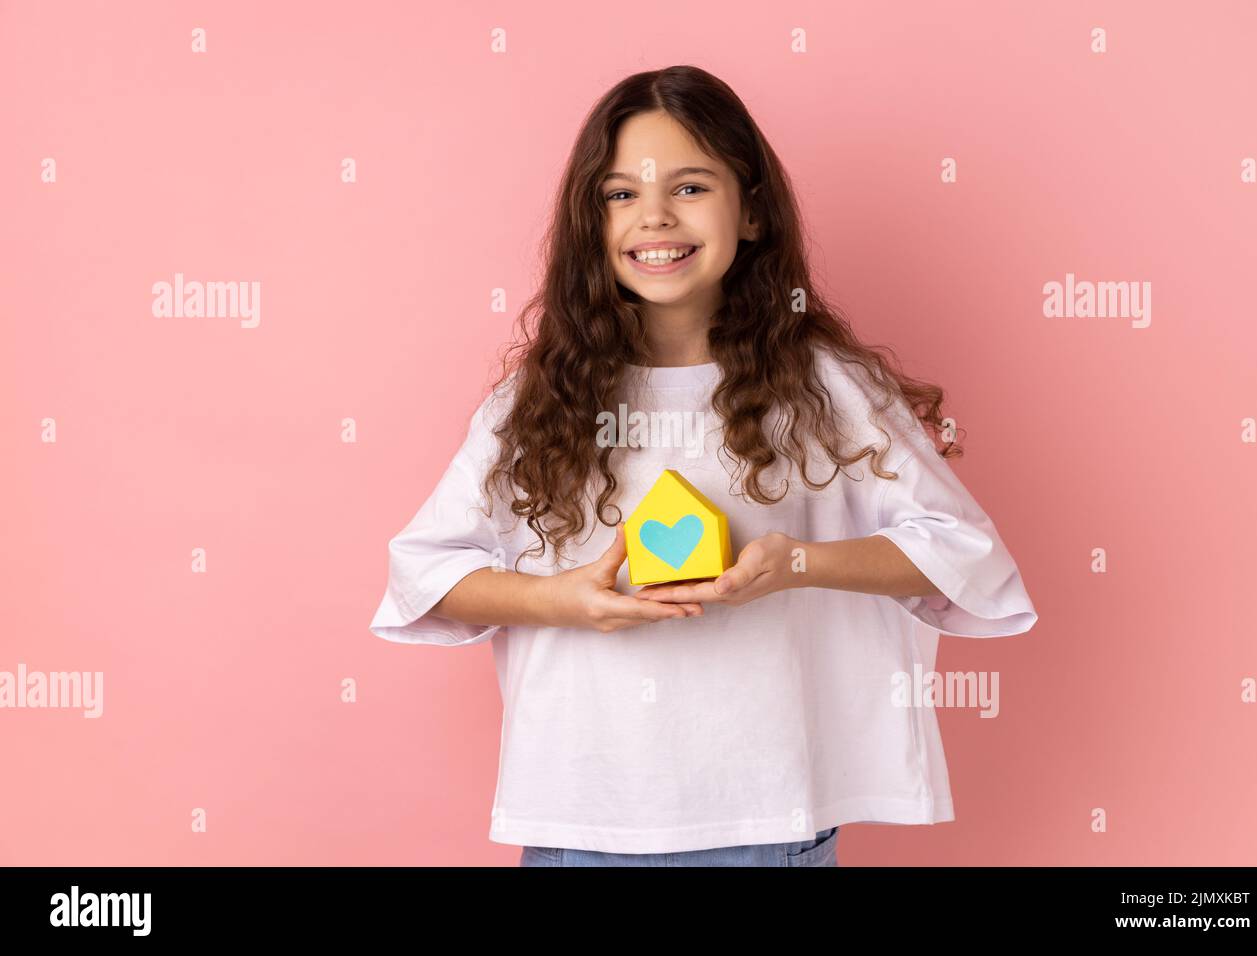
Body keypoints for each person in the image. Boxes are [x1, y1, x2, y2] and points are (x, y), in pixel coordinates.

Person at [369, 65, 1038, 867]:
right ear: (592, 221)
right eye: (620, 194)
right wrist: (563, 600)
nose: (653, 216)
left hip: (764, 820)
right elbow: (422, 572)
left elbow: (963, 553)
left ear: (751, 210)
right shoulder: (537, 401)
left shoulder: (826, 386)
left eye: (689, 187)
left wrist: (795, 564)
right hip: (581, 823)